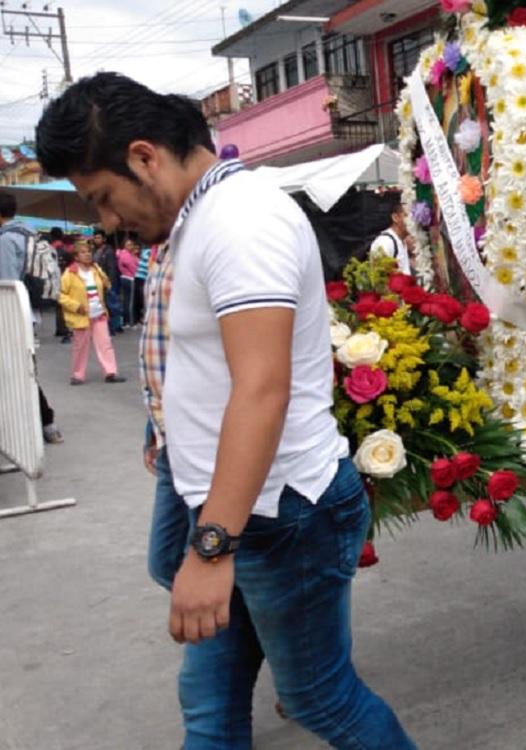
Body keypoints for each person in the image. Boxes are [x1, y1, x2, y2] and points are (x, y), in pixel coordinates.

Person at [36, 71, 415, 749]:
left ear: (144, 157)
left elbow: (260, 388)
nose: (108, 223)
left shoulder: (241, 222)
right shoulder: (203, 218)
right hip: (238, 508)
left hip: (279, 512)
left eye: (103, 199)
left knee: (321, 699)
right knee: (209, 706)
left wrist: (211, 550)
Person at [0, 190, 63, 443]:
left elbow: (6, 285)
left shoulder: (6, 240)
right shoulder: (29, 233)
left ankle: (38, 428)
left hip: (12, 316)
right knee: (24, 370)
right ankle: (47, 425)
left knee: (17, 371)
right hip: (29, 313)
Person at [58, 237, 127, 385]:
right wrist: (76, 306)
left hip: (99, 313)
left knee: (105, 344)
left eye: (89, 251)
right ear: (76, 256)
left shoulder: (96, 269)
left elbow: (107, 284)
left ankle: (110, 372)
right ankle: (77, 375)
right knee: (80, 347)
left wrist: (103, 277)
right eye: (83, 252)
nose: (87, 254)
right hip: (81, 316)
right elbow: (60, 295)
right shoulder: (69, 273)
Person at [369, 196, 415, 275]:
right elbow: (379, 278)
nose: (412, 221)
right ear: (395, 217)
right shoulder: (385, 242)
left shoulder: (402, 241)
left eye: (413, 216)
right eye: (406, 215)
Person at [92, 228, 123, 333]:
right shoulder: (94, 251)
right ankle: (107, 325)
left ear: (104, 239)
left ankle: (114, 326)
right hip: (98, 282)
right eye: (95, 237)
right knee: (104, 304)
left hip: (107, 282)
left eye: (98, 237)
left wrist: (109, 283)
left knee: (111, 304)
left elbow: (112, 268)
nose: (96, 240)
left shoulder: (108, 251)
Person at [50, 226, 72, 342]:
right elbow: (71, 265)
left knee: (58, 305)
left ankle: (60, 328)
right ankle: (63, 328)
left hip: (52, 279)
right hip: (64, 278)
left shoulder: (48, 250)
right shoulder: (65, 250)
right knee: (64, 304)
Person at [117, 237, 139, 326]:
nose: (131, 246)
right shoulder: (125, 255)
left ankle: (127, 320)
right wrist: (137, 276)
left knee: (127, 300)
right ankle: (130, 321)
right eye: (128, 245)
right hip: (130, 279)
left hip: (126, 278)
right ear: (124, 246)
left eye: (132, 245)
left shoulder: (128, 254)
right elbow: (133, 268)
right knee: (130, 302)